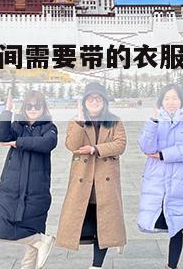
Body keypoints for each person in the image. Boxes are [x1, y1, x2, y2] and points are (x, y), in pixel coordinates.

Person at [56, 82, 127, 268]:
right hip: (84, 181)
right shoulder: (76, 121)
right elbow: (72, 146)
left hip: (105, 182)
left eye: (98, 98)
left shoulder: (115, 121)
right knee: (84, 222)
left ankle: (97, 265)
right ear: (84, 102)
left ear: (104, 101)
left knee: (104, 225)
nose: (94, 102)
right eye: (90, 98)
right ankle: (114, 238)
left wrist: (95, 149)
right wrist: (80, 121)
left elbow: (120, 145)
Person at [137, 84, 183, 269]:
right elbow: (146, 147)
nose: (171, 102)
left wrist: (165, 154)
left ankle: (171, 266)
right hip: (157, 181)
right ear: (161, 102)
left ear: (181, 101)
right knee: (160, 220)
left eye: (175, 98)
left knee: (175, 222)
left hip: (180, 181)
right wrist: (153, 122)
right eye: (167, 98)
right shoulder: (155, 122)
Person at [0, 90, 57, 269]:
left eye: (37, 106)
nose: (33, 109)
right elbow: (1, 136)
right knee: (2, 230)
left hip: (36, 190)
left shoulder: (49, 127)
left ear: (43, 108)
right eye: (29, 106)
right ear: (24, 108)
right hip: (11, 188)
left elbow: (47, 143)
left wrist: (18, 143)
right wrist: (7, 111)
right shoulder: (17, 126)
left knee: (33, 233)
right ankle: (42, 241)